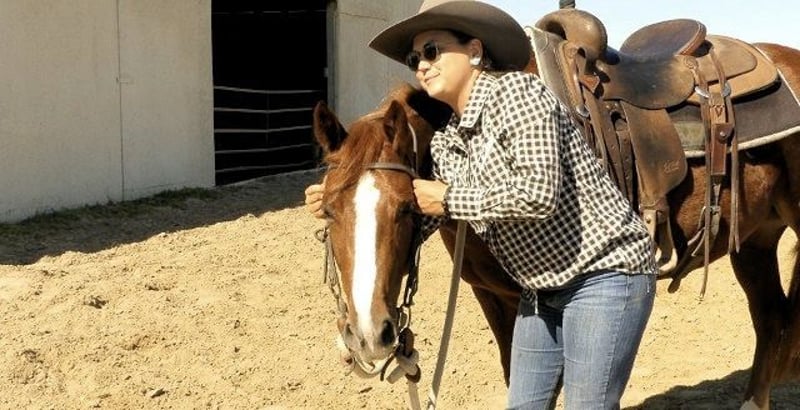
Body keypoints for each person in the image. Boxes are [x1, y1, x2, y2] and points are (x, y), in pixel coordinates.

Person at [305, 1, 657, 408]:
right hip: (540, 290)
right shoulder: (448, 141)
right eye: (415, 59)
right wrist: (349, 200)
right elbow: (418, 215)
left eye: (432, 51)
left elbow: (538, 193)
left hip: (602, 276)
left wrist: (448, 197)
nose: (422, 65)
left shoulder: (519, 95)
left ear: (474, 50)